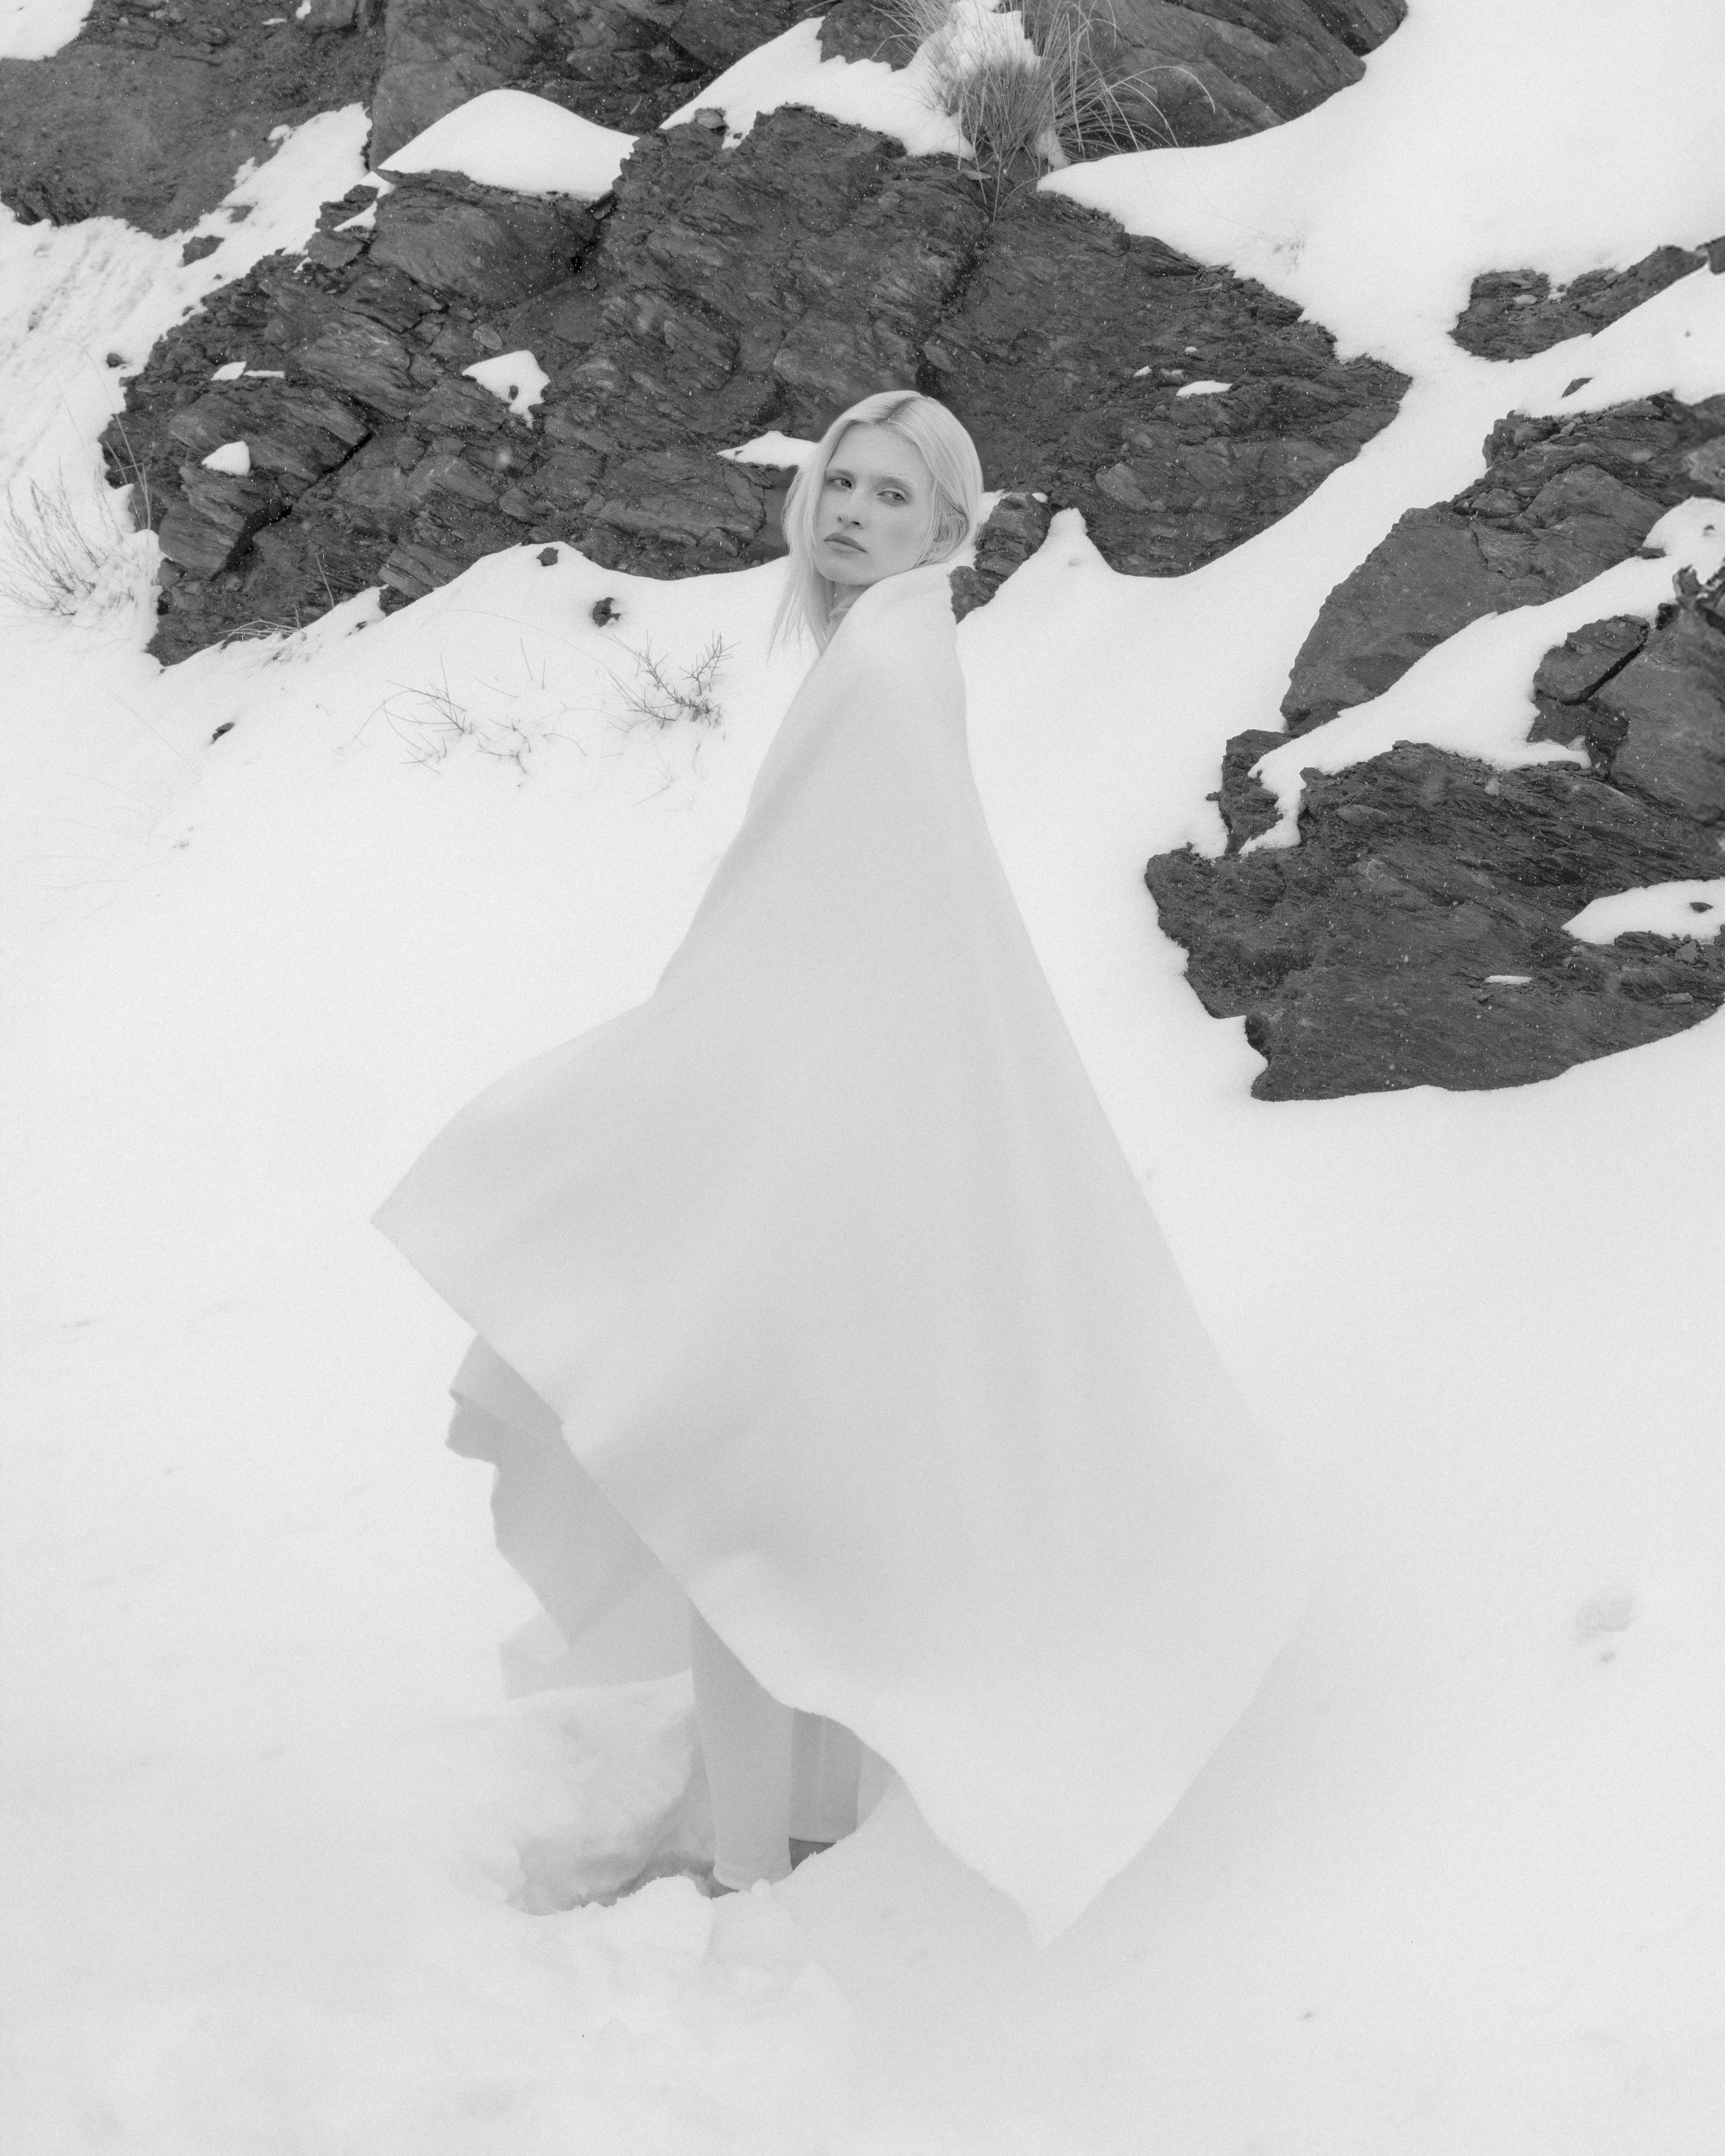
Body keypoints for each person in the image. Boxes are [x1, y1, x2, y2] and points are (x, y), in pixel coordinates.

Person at [374, 390, 1303, 1941]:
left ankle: (757, 1870)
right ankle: (782, 1828)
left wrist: (674, 1084)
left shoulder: (883, 669)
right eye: (839, 482)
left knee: (746, 1510)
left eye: (892, 494)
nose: (852, 512)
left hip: (821, 1156)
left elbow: (843, 939)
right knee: (763, 1508)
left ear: (949, 527)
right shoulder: (894, 653)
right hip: (832, 1140)